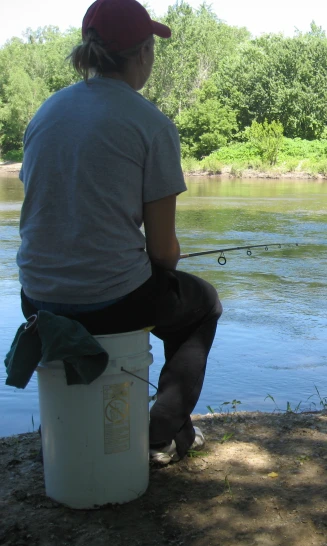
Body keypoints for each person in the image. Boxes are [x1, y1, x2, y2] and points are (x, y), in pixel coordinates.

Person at [16, 0, 222, 464]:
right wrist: (168, 263)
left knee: (146, 289)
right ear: (145, 52)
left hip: (36, 298)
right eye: (151, 48)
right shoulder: (151, 124)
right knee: (201, 305)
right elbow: (164, 251)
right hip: (111, 303)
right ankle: (163, 429)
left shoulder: (46, 113)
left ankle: (135, 425)